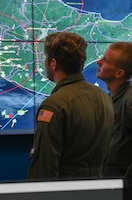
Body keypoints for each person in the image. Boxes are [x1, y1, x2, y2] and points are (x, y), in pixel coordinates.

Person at [26, 32, 114, 180]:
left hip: (66, 190)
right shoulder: (104, 97)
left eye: (46, 59)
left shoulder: (54, 105)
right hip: (99, 188)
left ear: (53, 63)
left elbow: (44, 167)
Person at [96, 42, 132, 199]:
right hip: (111, 182)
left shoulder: (129, 100)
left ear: (119, 73)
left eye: (106, 60)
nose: (99, 62)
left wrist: (128, 180)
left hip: (124, 187)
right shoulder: (113, 99)